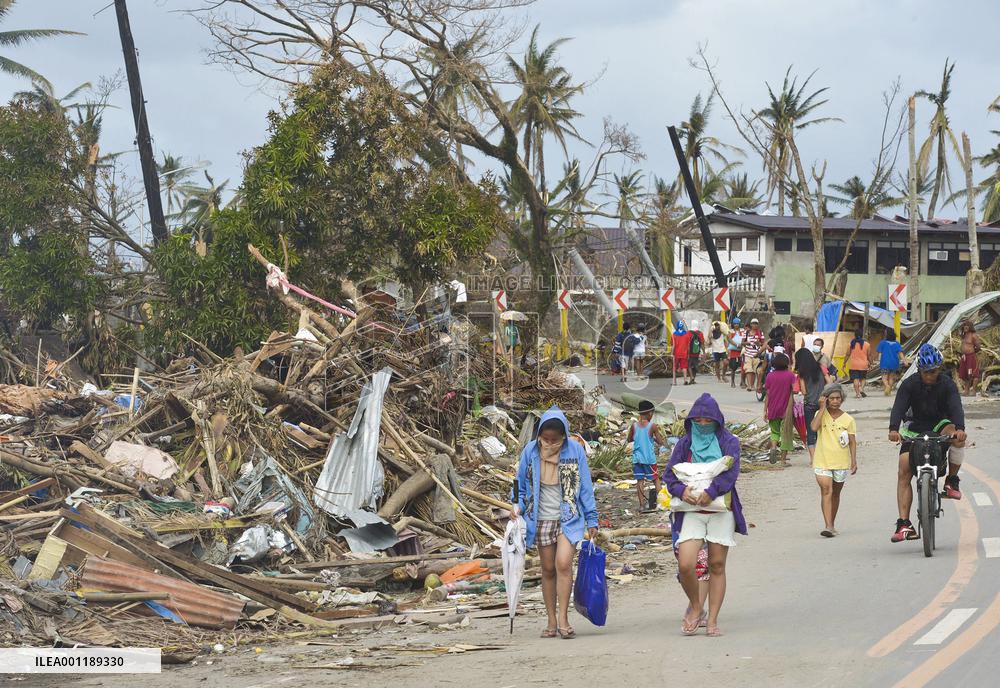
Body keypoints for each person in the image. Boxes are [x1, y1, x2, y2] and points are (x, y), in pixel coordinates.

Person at [512, 407, 599, 638]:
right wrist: (517, 507)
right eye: (545, 439)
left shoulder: (575, 452)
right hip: (539, 519)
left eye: (555, 439)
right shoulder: (530, 452)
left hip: (569, 518)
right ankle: (551, 620)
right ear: (539, 435)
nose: (549, 443)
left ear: (563, 436)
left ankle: (563, 618)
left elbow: (586, 488)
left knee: (563, 564)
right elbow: (521, 487)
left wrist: (592, 519)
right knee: (548, 569)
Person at [666, 393, 747, 637]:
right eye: (698, 420)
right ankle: (696, 605)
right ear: (691, 421)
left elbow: (730, 475)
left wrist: (711, 492)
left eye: (707, 420)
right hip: (691, 511)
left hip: (720, 510)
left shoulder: (729, 442)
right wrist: (683, 491)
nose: (702, 424)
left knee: (716, 564)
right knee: (686, 564)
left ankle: (712, 620)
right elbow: (669, 477)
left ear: (717, 421)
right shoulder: (684, 444)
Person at [888, 344, 968, 543]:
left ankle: (951, 480)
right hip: (915, 427)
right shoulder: (909, 384)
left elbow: (956, 407)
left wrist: (960, 428)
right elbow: (899, 407)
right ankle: (904, 524)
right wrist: (893, 429)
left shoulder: (947, 384)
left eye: (935, 371)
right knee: (903, 469)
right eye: (927, 372)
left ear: (940, 368)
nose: (931, 375)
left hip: (941, 424)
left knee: (957, 440)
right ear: (920, 370)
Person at [810, 383, 857, 537]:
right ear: (826, 399)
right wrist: (822, 408)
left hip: (841, 462)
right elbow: (813, 428)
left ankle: (832, 523)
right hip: (822, 460)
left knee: (835, 493)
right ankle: (828, 526)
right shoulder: (820, 414)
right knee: (826, 490)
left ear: (842, 399)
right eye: (832, 398)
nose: (835, 401)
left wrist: (854, 461)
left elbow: (852, 441)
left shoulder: (848, 419)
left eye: (838, 398)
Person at [627, 399, 667, 511]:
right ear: (650, 413)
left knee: (640, 481)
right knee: (656, 480)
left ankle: (641, 506)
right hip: (649, 459)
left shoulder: (634, 426)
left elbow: (629, 439)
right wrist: (654, 437)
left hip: (637, 459)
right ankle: (661, 504)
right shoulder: (652, 426)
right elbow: (660, 442)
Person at [764, 352, 796, 465]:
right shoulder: (790, 375)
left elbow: (767, 394)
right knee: (786, 433)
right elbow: (796, 389)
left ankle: (773, 448)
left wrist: (765, 411)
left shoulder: (769, 376)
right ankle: (782, 460)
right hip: (786, 409)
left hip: (772, 408)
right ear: (786, 364)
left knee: (775, 432)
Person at [794, 347, 826, 460]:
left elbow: (804, 391)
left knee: (811, 431)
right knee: (824, 429)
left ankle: (813, 458)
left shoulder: (802, 374)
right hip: (823, 404)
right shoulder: (821, 367)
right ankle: (824, 455)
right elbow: (830, 381)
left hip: (809, 404)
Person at [876, 330, 905, 396]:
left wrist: (878, 361)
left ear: (887, 335)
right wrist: (904, 361)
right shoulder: (897, 343)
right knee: (891, 378)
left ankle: (887, 386)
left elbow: (879, 353)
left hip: (885, 363)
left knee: (884, 378)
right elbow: (900, 354)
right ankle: (888, 392)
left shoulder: (882, 343)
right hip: (894, 363)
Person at [958, 321, 982, 396]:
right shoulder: (964, 335)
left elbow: (978, 347)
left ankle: (974, 391)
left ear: (970, 327)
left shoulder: (973, 335)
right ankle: (966, 391)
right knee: (966, 374)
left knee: (974, 374)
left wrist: (971, 352)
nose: (965, 327)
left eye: (967, 326)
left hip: (971, 357)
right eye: (964, 325)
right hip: (964, 357)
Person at [743, 319, 765, 392]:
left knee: (756, 370)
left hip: (757, 354)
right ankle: (749, 385)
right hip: (748, 354)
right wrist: (747, 343)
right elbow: (742, 343)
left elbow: (763, 343)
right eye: (753, 323)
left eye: (756, 324)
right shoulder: (746, 332)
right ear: (751, 324)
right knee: (748, 369)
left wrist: (759, 344)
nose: (754, 325)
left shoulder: (760, 333)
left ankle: (754, 385)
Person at [848, 329, 871, 399]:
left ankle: (857, 393)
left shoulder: (851, 344)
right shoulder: (867, 344)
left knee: (856, 379)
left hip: (853, 365)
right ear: (862, 335)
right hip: (864, 364)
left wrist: (844, 363)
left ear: (854, 335)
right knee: (863, 378)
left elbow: (847, 354)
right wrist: (870, 362)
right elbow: (869, 355)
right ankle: (861, 389)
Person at [672, 320, 693, 386]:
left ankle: (674, 382)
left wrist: (672, 353)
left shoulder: (674, 334)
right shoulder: (687, 334)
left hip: (676, 354)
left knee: (675, 367)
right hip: (684, 353)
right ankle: (685, 380)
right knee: (684, 367)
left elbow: (673, 345)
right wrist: (688, 354)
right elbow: (688, 345)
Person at [726, 319, 744, 388]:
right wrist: (737, 345)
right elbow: (729, 340)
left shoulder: (742, 331)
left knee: (743, 367)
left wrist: (741, 345)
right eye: (735, 324)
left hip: (741, 351)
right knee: (733, 368)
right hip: (734, 352)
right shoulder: (731, 331)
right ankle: (732, 382)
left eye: (737, 324)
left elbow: (744, 338)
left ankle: (742, 381)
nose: (736, 325)